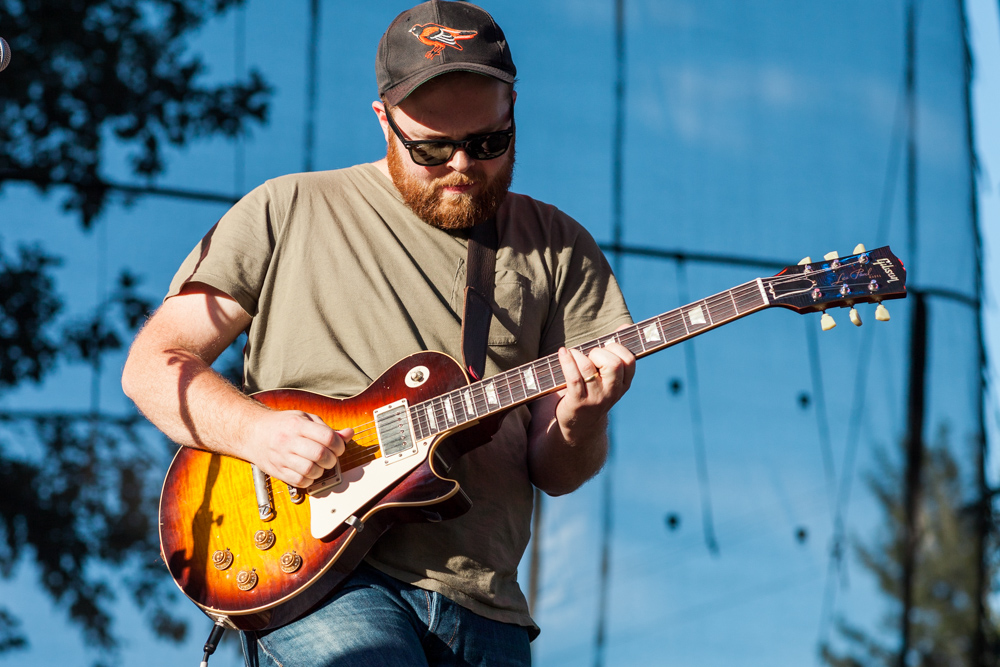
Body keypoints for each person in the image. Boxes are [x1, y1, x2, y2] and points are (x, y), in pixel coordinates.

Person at [122, 1, 636, 665]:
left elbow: (557, 469)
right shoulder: (289, 208)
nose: (461, 166)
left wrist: (584, 419)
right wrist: (256, 433)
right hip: (309, 570)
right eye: (431, 148)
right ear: (382, 122)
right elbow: (153, 365)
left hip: (485, 602)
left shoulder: (559, 247)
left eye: (488, 144)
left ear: (513, 112)